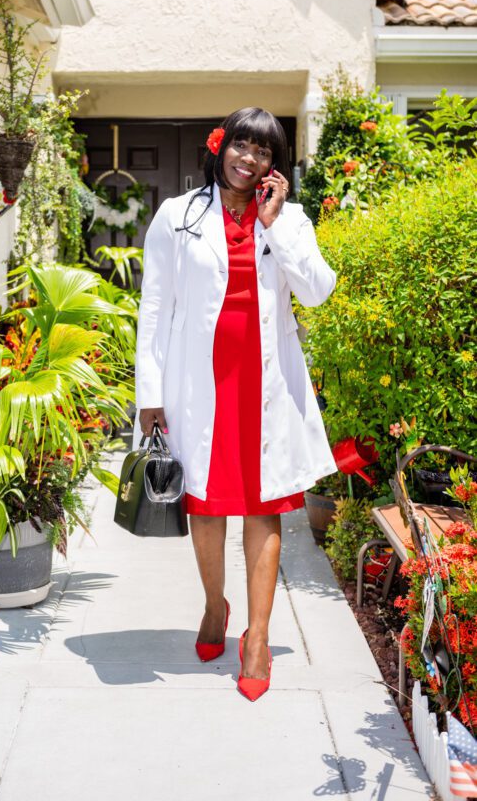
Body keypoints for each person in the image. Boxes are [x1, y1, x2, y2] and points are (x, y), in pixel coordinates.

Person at [134, 107, 337, 701]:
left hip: (263, 383)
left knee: (262, 505)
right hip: (200, 386)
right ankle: (215, 608)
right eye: (242, 146)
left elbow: (318, 291)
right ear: (220, 147)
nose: (250, 159)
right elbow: (154, 309)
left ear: (276, 166)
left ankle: (257, 638)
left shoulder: (290, 220)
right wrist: (150, 394)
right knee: (206, 507)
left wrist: (272, 226)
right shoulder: (178, 215)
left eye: (265, 152)